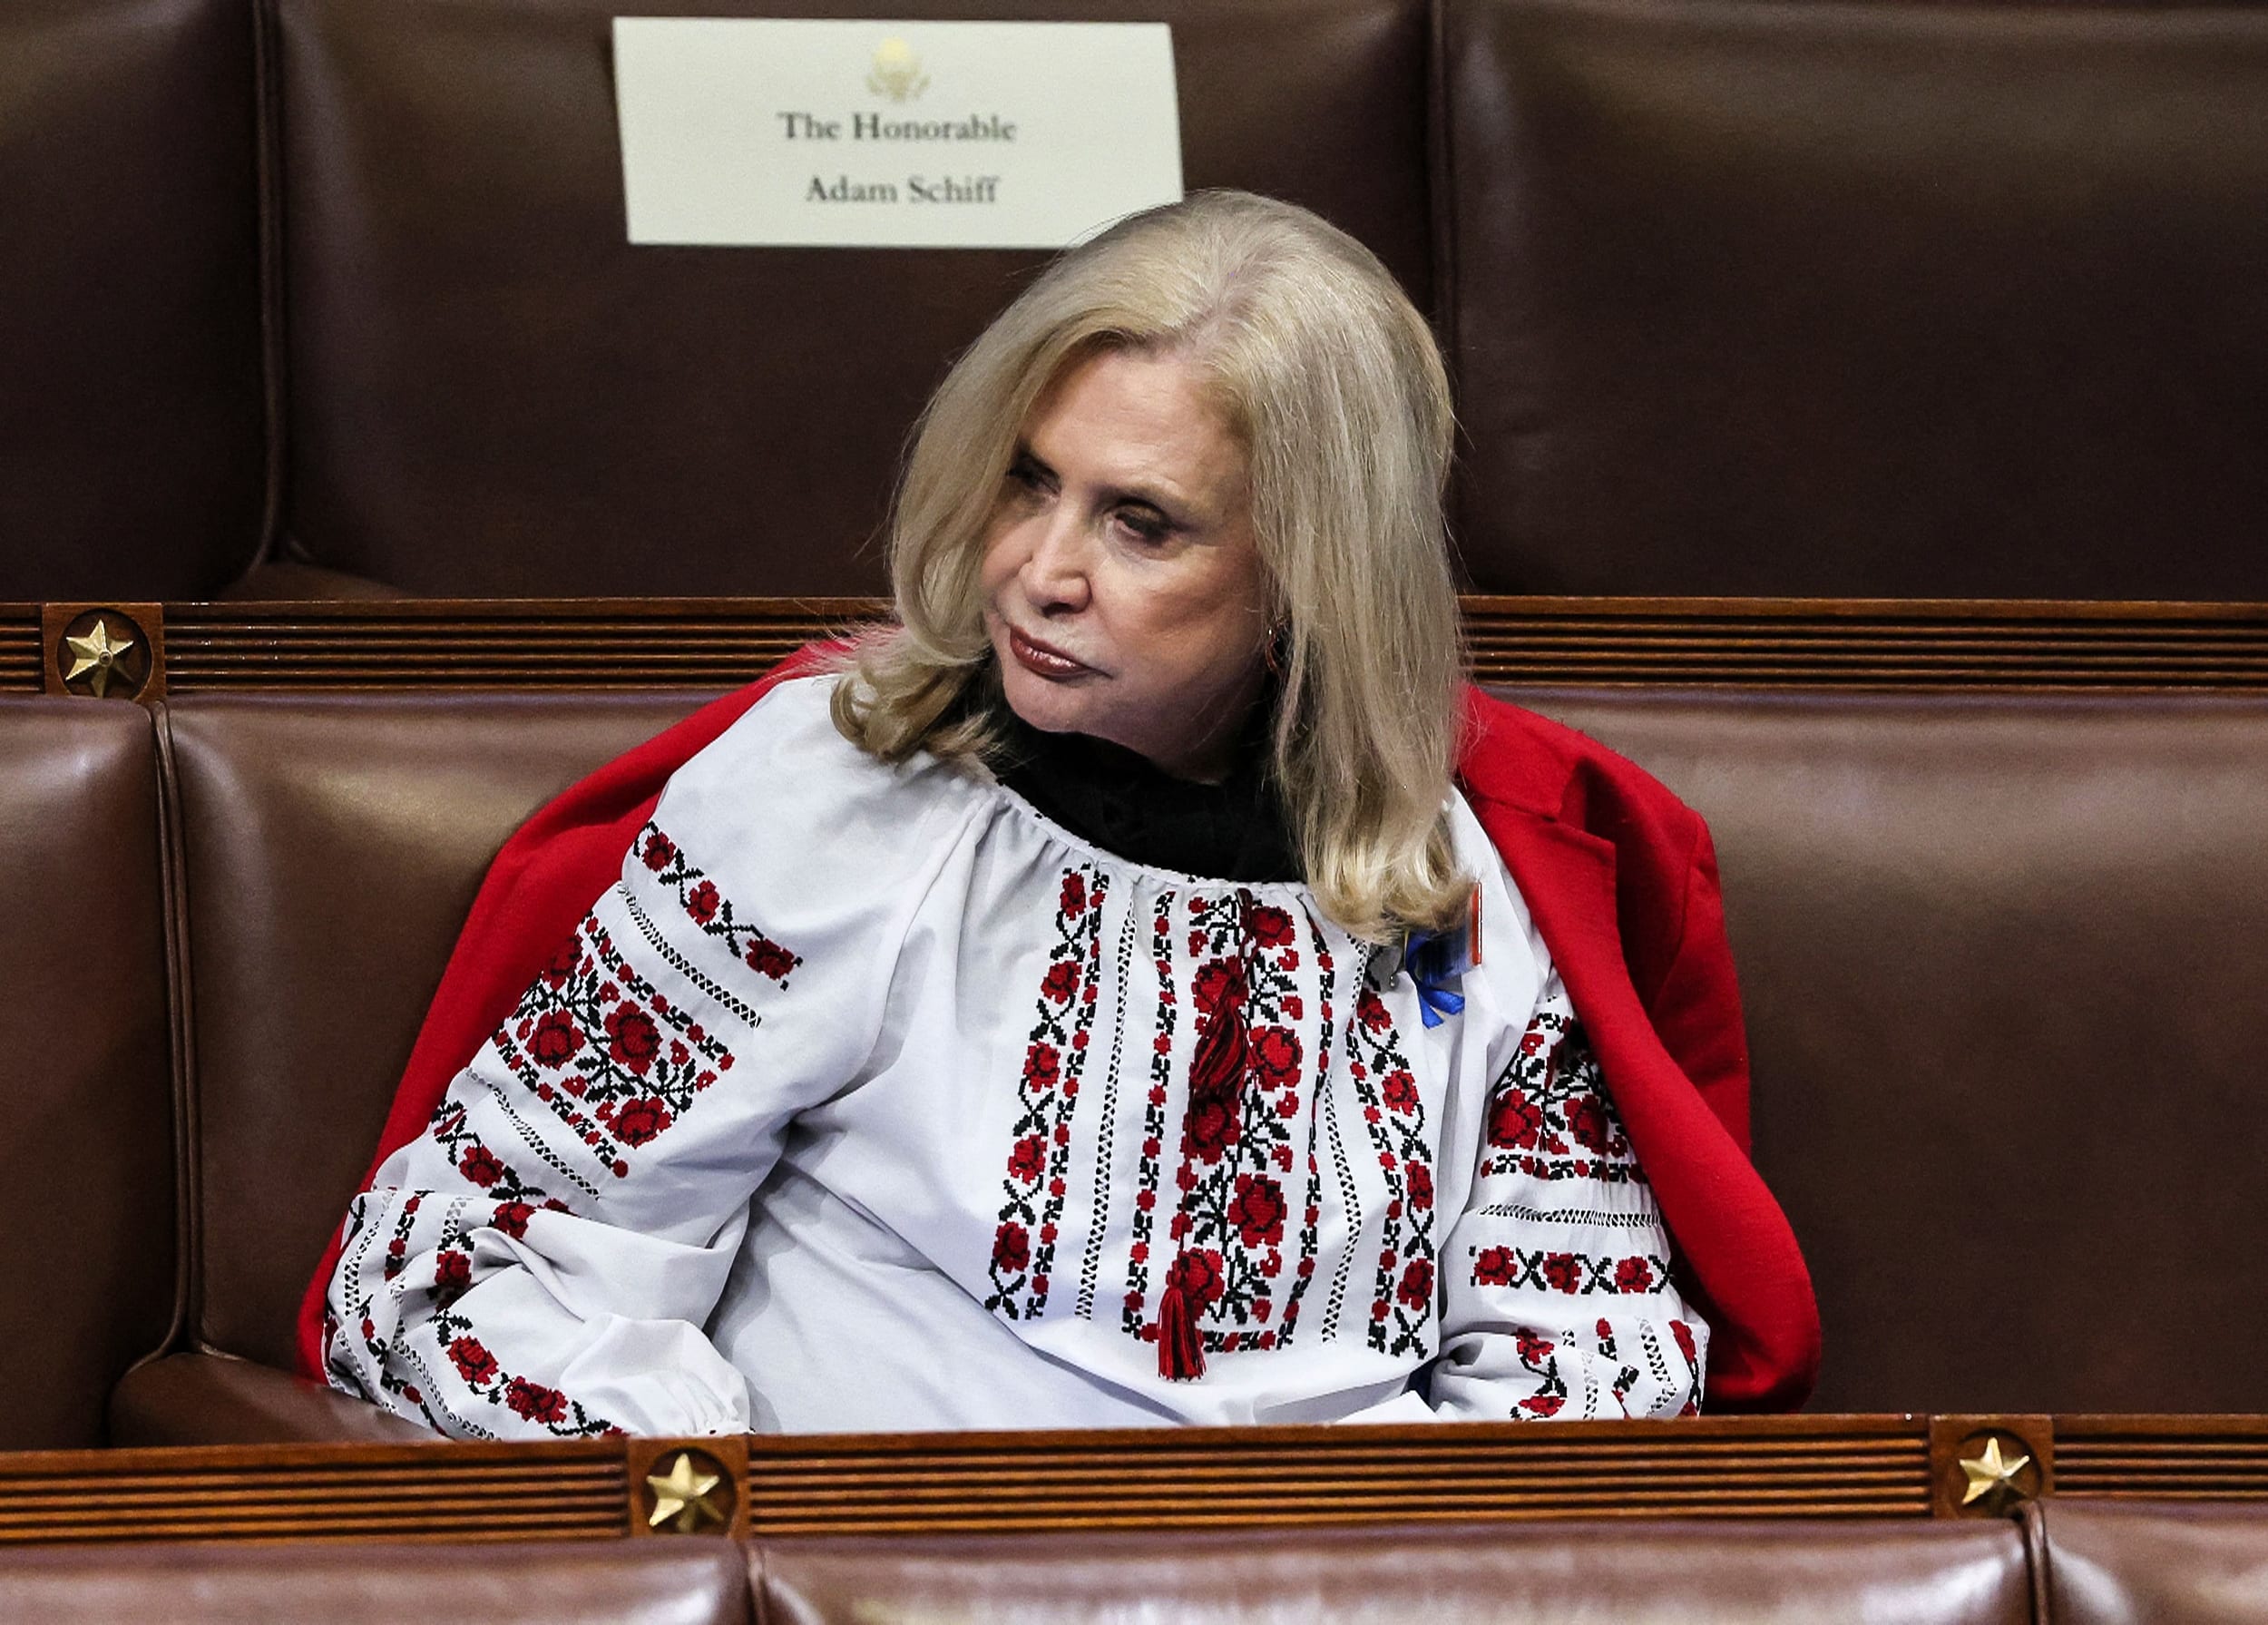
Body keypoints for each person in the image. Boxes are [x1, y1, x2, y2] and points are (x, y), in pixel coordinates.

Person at [308, 191, 1818, 1436]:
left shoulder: (1464, 879)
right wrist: (748, 1540)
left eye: (1139, 522)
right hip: (874, 1573)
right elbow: (483, 1255)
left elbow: (1583, 1369)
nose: (1040, 568)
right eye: (1030, 485)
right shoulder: (839, 792)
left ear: (1310, 575)